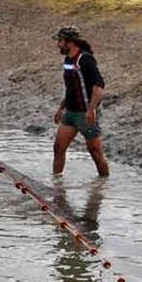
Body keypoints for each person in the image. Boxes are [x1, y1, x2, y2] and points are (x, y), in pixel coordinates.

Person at [52, 27, 110, 178]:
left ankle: (103, 184)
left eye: (60, 41)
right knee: (58, 148)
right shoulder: (68, 60)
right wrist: (61, 108)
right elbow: (71, 87)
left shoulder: (85, 60)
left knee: (95, 153)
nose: (58, 45)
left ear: (70, 42)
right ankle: (56, 183)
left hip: (85, 114)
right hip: (70, 113)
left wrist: (91, 110)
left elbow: (98, 86)